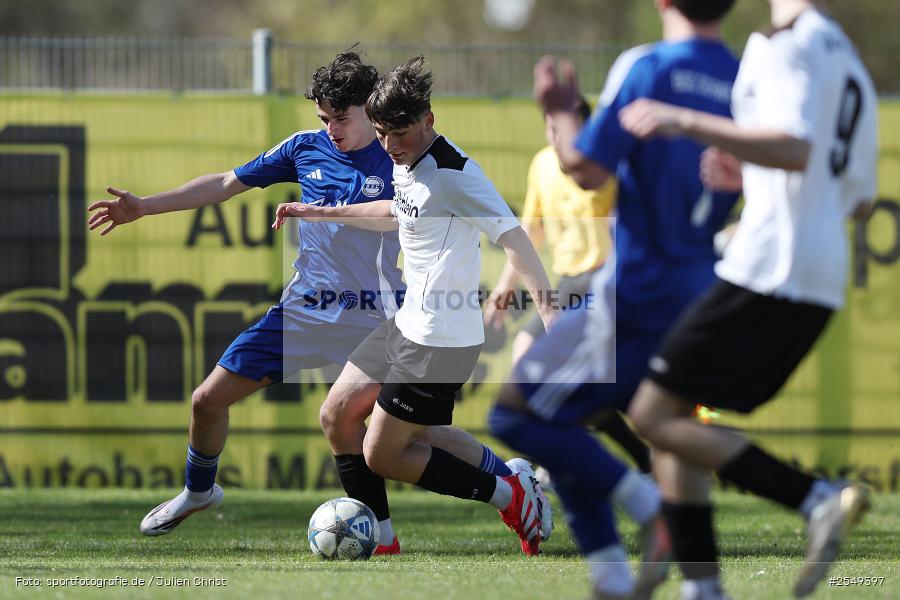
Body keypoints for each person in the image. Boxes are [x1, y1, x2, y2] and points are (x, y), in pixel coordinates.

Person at [88, 51, 514, 552]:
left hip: (374, 316)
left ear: (371, 112)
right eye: (324, 118)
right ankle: (198, 491)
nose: (332, 128)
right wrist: (146, 206)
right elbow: (226, 183)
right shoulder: (303, 149)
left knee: (413, 436)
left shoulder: (400, 158)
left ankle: (501, 487)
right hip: (303, 313)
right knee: (206, 401)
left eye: (342, 117)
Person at [621, 1, 877, 598]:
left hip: (769, 265)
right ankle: (703, 588)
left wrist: (682, 120)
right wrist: (755, 179)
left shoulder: (783, 43)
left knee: (652, 414)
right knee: (674, 417)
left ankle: (814, 498)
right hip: (819, 275)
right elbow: (856, 198)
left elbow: (794, 147)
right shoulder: (848, 58)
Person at [488, 0, 741, 597]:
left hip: (635, 288)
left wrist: (558, 112)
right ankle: (634, 578)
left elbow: (584, 167)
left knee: (517, 411)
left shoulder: (646, 68)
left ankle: (649, 505)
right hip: (699, 292)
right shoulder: (743, 76)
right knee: (592, 417)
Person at [274, 56, 557, 556]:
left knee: (382, 453)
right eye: (381, 132)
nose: (388, 145)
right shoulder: (407, 160)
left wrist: (549, 311)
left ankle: (509, 494)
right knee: (337, 415)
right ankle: (382, 540)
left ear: (428, 119)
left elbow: (515, 238)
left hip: (441, 341)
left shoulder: (457, 174)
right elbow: (396, 211)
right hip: (407, 323)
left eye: (399, 132)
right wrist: (319, 211)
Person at [484, 94, 652, 475]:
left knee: (582, 383)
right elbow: (532, 230)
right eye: (549, 124)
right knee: (531, 364)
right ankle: (621, 459)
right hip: (566, 282)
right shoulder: (542, 163)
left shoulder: (602, 166)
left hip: (604, 279)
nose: (552, 132)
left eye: (560, 125)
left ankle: (565, 463)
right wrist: (505, 287)